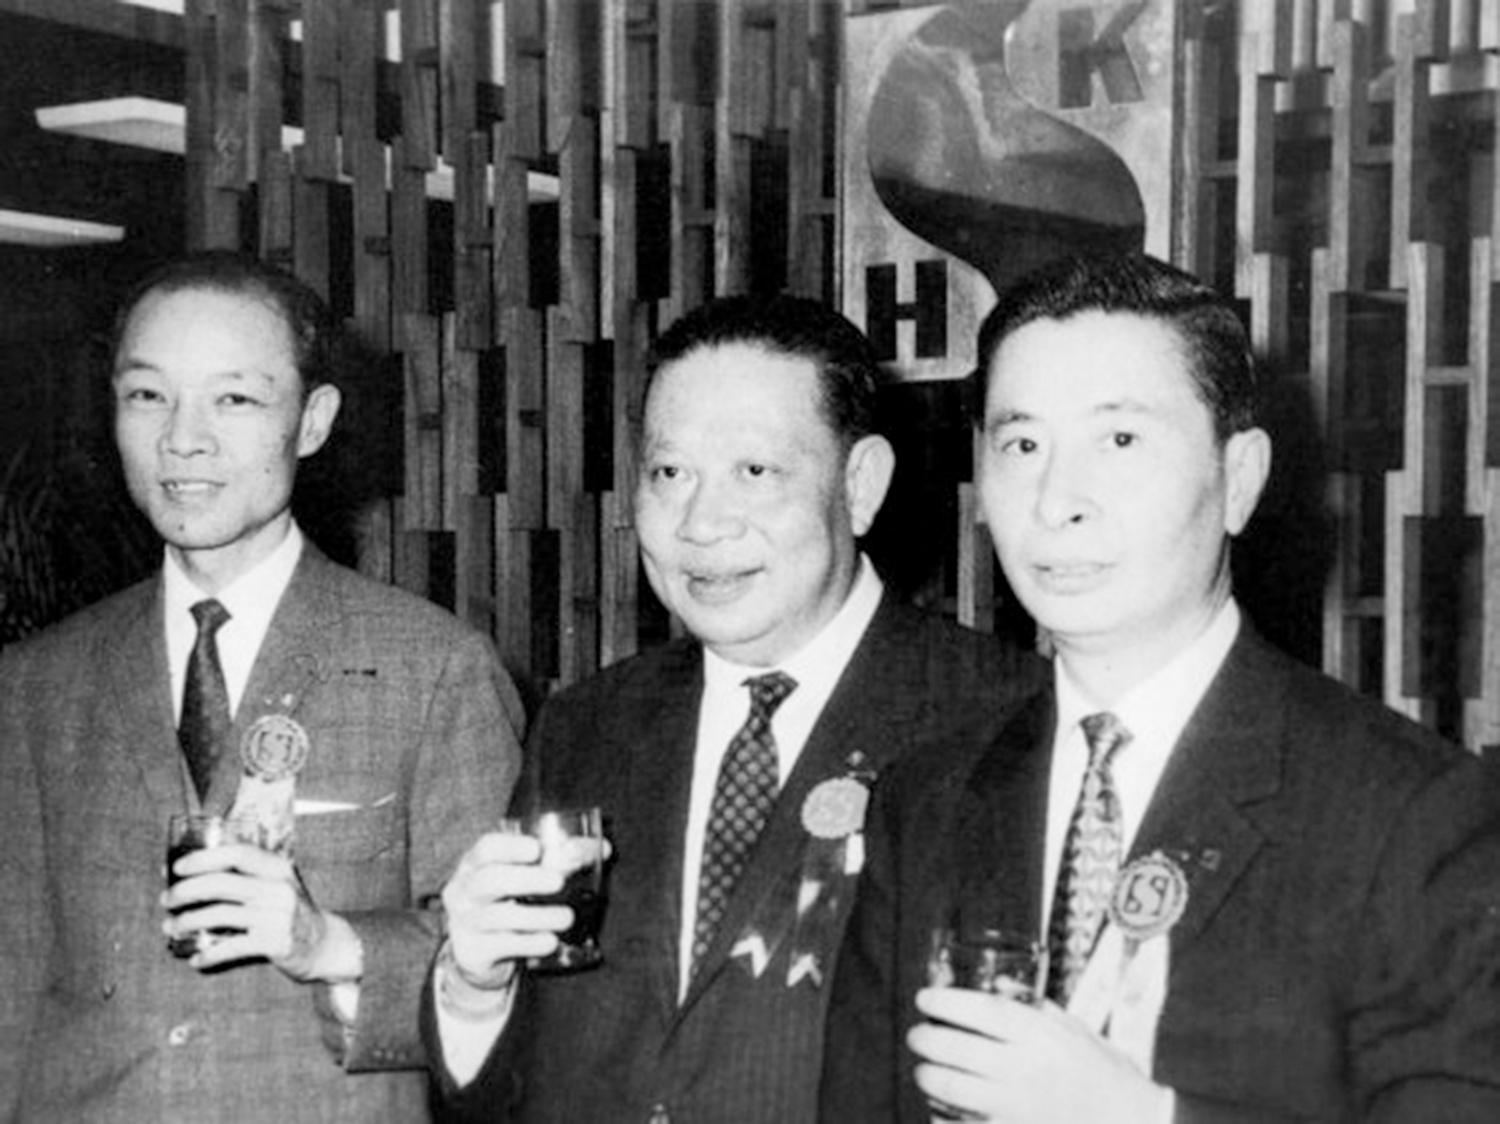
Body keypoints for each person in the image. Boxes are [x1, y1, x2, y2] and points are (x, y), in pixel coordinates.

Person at [821, 252, 1500, 1122]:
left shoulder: (1413, 815)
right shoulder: (926, 801)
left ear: (1239, 478)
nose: (1058, 500)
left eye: (1120, 440)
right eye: (1023, 445)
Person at [424, 293, 1045, 1124]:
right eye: (669, 474)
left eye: (754, 472)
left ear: (860, 485)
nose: (700, 524)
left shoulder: (1004, 720)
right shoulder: (585, 726)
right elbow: (510, 1089)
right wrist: (474, 986)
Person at [0, 251, 524, 1122]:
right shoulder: (35, 683)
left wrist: (328, 942)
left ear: (312, 422)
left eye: (234, 399)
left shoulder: (435, 668)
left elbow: (501, 982)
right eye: (147, 395)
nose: (183, 438)